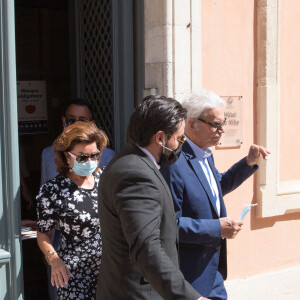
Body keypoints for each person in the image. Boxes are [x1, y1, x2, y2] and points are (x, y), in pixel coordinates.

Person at [160, 89, 270, 300]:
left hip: (212, 271)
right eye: (216, 124)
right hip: (189, 274)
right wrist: (217, 228)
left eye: (224, 124)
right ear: (192, 124)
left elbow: (214, 188)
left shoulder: (205, 154)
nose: (221, 130)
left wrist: (247, 163)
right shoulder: (174, 162)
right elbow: (170, 224)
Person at [96, 95, 207, 300]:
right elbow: (147, 247)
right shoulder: (135, 174)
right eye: (179, 138)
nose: (180, 145)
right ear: (159, 138)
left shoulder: (130, 162)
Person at [36, 121, 108, 300]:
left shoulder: (106, 180)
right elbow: (43, 234)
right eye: (83, 157)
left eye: (94, 155)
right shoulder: (53, 190)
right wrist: (54, 260)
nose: (90, 161)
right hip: (75, 276)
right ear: (67, 156)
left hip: (110, 272)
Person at [41, 98, 115, 185]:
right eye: (71, 120)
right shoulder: (47, 154)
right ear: (64, 121)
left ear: (92, 124)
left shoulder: (108, 156)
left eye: (82, 121)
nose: (76, 125)